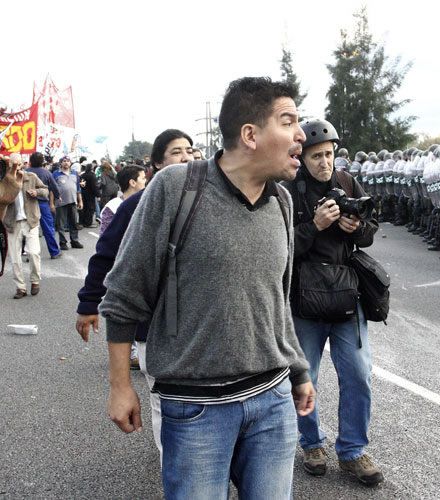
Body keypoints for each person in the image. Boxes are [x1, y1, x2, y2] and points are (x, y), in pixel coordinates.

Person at [99, 77, 315, 499]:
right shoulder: (176, 187)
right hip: (195, 409)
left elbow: (276, 299)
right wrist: (120, 385)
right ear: (250, 135)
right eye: (288, 121)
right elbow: (125, 293)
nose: (301, 135)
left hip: (272, 403)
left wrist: (300, 371)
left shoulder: (282, 203)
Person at [76, 128, 196, 454]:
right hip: (153, 328)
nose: (185, 157)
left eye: (189, 150)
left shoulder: (208, 203)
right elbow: (106, 256)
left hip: (197, 327)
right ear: (155, 163)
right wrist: (88, 303)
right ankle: (174, 469)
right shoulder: (136, 207)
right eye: (175, 151)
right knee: (165, 404)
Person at [281, 118, 384, 486]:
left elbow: (371, 230)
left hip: (345, 293)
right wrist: (316, 226)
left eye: (329, 154)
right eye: (316, 156)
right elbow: (281, 246)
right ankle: (311, 443)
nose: (325, 162)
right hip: (305, 296)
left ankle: (353, 450)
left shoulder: (347, 183)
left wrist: (358, 229)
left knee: (358, 373)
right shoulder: (287, 190)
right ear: (302, 156)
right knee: (304, 374)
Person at [3, 154, 48, 298]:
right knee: (15, 258)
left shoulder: (31, 177)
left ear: (24, 164)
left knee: (34, 252)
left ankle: (35, 280)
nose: (16, 167)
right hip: (12, 222)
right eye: (12, 164)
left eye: (19, 164)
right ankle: (20, 287)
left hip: (31, 220)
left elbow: (45, 190)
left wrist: (37, 192)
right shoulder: (4, 180)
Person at [25, 152, 62, 258]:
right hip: (43, 204)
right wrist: (58, 195)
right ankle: (54, 252)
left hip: (29, 204)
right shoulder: (46, 173)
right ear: (42, 162)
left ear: (31, 161)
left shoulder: (25, 172)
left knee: (29, 229)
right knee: (48, 229)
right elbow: (54, 187)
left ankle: (30, 254)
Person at [98, 165, 146, 234]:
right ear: (132, 182)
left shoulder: (147, 202)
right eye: (143, 178)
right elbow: (106, 239)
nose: (146, 181)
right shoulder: (113, 208)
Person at [53, 156, 84, 250]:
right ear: (61, 163)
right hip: (61, 202)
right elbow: (52, 189)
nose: (66, 163)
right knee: (61, 224)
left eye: (68, 161)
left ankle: (74, 241)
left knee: (74, 222)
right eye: (64, 161)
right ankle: (62, 243)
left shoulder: (75, 174)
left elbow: (78, 189)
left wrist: (80, 201)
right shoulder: (56, 174)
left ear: (70, 163)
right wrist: (52, 202)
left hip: (73, 201)